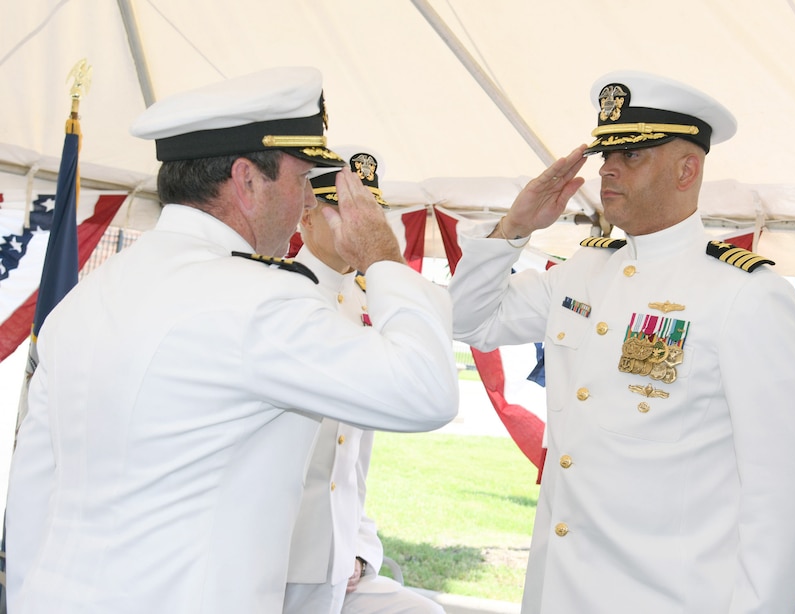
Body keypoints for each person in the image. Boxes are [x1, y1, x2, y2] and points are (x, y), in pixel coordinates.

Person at [5, 67, 458, 614]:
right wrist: (384, 258)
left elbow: (31, 493)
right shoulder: (257, 301)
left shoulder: (85, 299)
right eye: (299, 182)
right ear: (246, 180)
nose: (301, 208)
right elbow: (426, 391)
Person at [448, 70, 795, 613]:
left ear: (686, 169)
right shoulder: (584, 270)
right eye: (606, 155)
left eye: (633, 155)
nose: (609, 169)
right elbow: (468, 319)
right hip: (558, 594)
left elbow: (784, 494)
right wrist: (514, 226)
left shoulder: (746, 295)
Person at [283, 147, 444, 614]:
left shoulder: (368, 302)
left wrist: (357, 547)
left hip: (338, 553)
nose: (356, 222)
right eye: (339, 208)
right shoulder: (283, 296)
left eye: (367, 211)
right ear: (305, 217)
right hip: (281, 552)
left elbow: (353, 457)